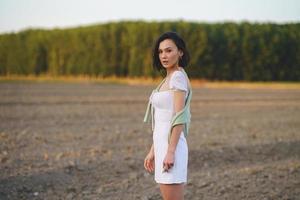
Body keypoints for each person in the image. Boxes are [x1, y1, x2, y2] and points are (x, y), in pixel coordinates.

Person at [143, 31, 192, 200]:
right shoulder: (167, 78)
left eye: (169, 50)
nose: (164, 55)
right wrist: (153, 151)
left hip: (172, 148)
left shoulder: (177, 77)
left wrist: (170, 152)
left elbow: (179, 118)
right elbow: (162, 120)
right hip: (163, 147)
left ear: (180, 52)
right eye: (160, 51)